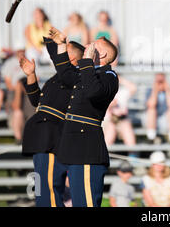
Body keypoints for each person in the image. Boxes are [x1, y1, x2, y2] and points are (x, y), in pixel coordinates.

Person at [49, 27, 119, 207]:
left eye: (91, 46)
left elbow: (92, 91)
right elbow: (65, 75)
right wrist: (61, 45)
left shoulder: (109, 76)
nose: (86, 47)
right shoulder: (87, 73)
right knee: (78, 201)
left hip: (87, 148)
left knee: (86, 203)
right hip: (74, 146)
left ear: (101, 54)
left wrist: (87, 62)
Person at [19, 37, 85, 207]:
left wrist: (53, 43)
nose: (59, 54)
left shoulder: (77, 77)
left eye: (65, 50)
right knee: (42, 188)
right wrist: (31, 75)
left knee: (49, 188)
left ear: (73, 58)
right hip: (41, 135)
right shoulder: (59, 76)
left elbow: (57, 58)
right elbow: (37, 101)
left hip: (52, 136)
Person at [2, 45, 30, 143]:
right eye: (19, 50)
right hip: (16, 91)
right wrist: (19, 88)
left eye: (22, 50)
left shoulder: (30, 61)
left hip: (28, 90)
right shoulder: (10, 63)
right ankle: (19, 138)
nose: (21, 52)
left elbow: (36, 79)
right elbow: (8, 83)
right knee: (17, 112)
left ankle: (23, 137)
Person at [102, 76, 137, 154]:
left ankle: (133, 158)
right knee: (110, 131)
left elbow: (133, 88)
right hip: (108, 120)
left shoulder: (122, 91)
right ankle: (105, 156)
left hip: (121, 119)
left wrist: (120, 79)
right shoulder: (105, 90)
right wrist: (110, 105)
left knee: (128, 133)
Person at [144, 73, 170, 144]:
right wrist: (155, 91)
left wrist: (167, 90)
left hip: (166, 119)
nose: (160, 84)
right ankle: (151, 138)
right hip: (150, 119)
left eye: (162, 81)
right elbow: (151, 105)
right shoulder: (149, 90)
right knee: (152, 110)